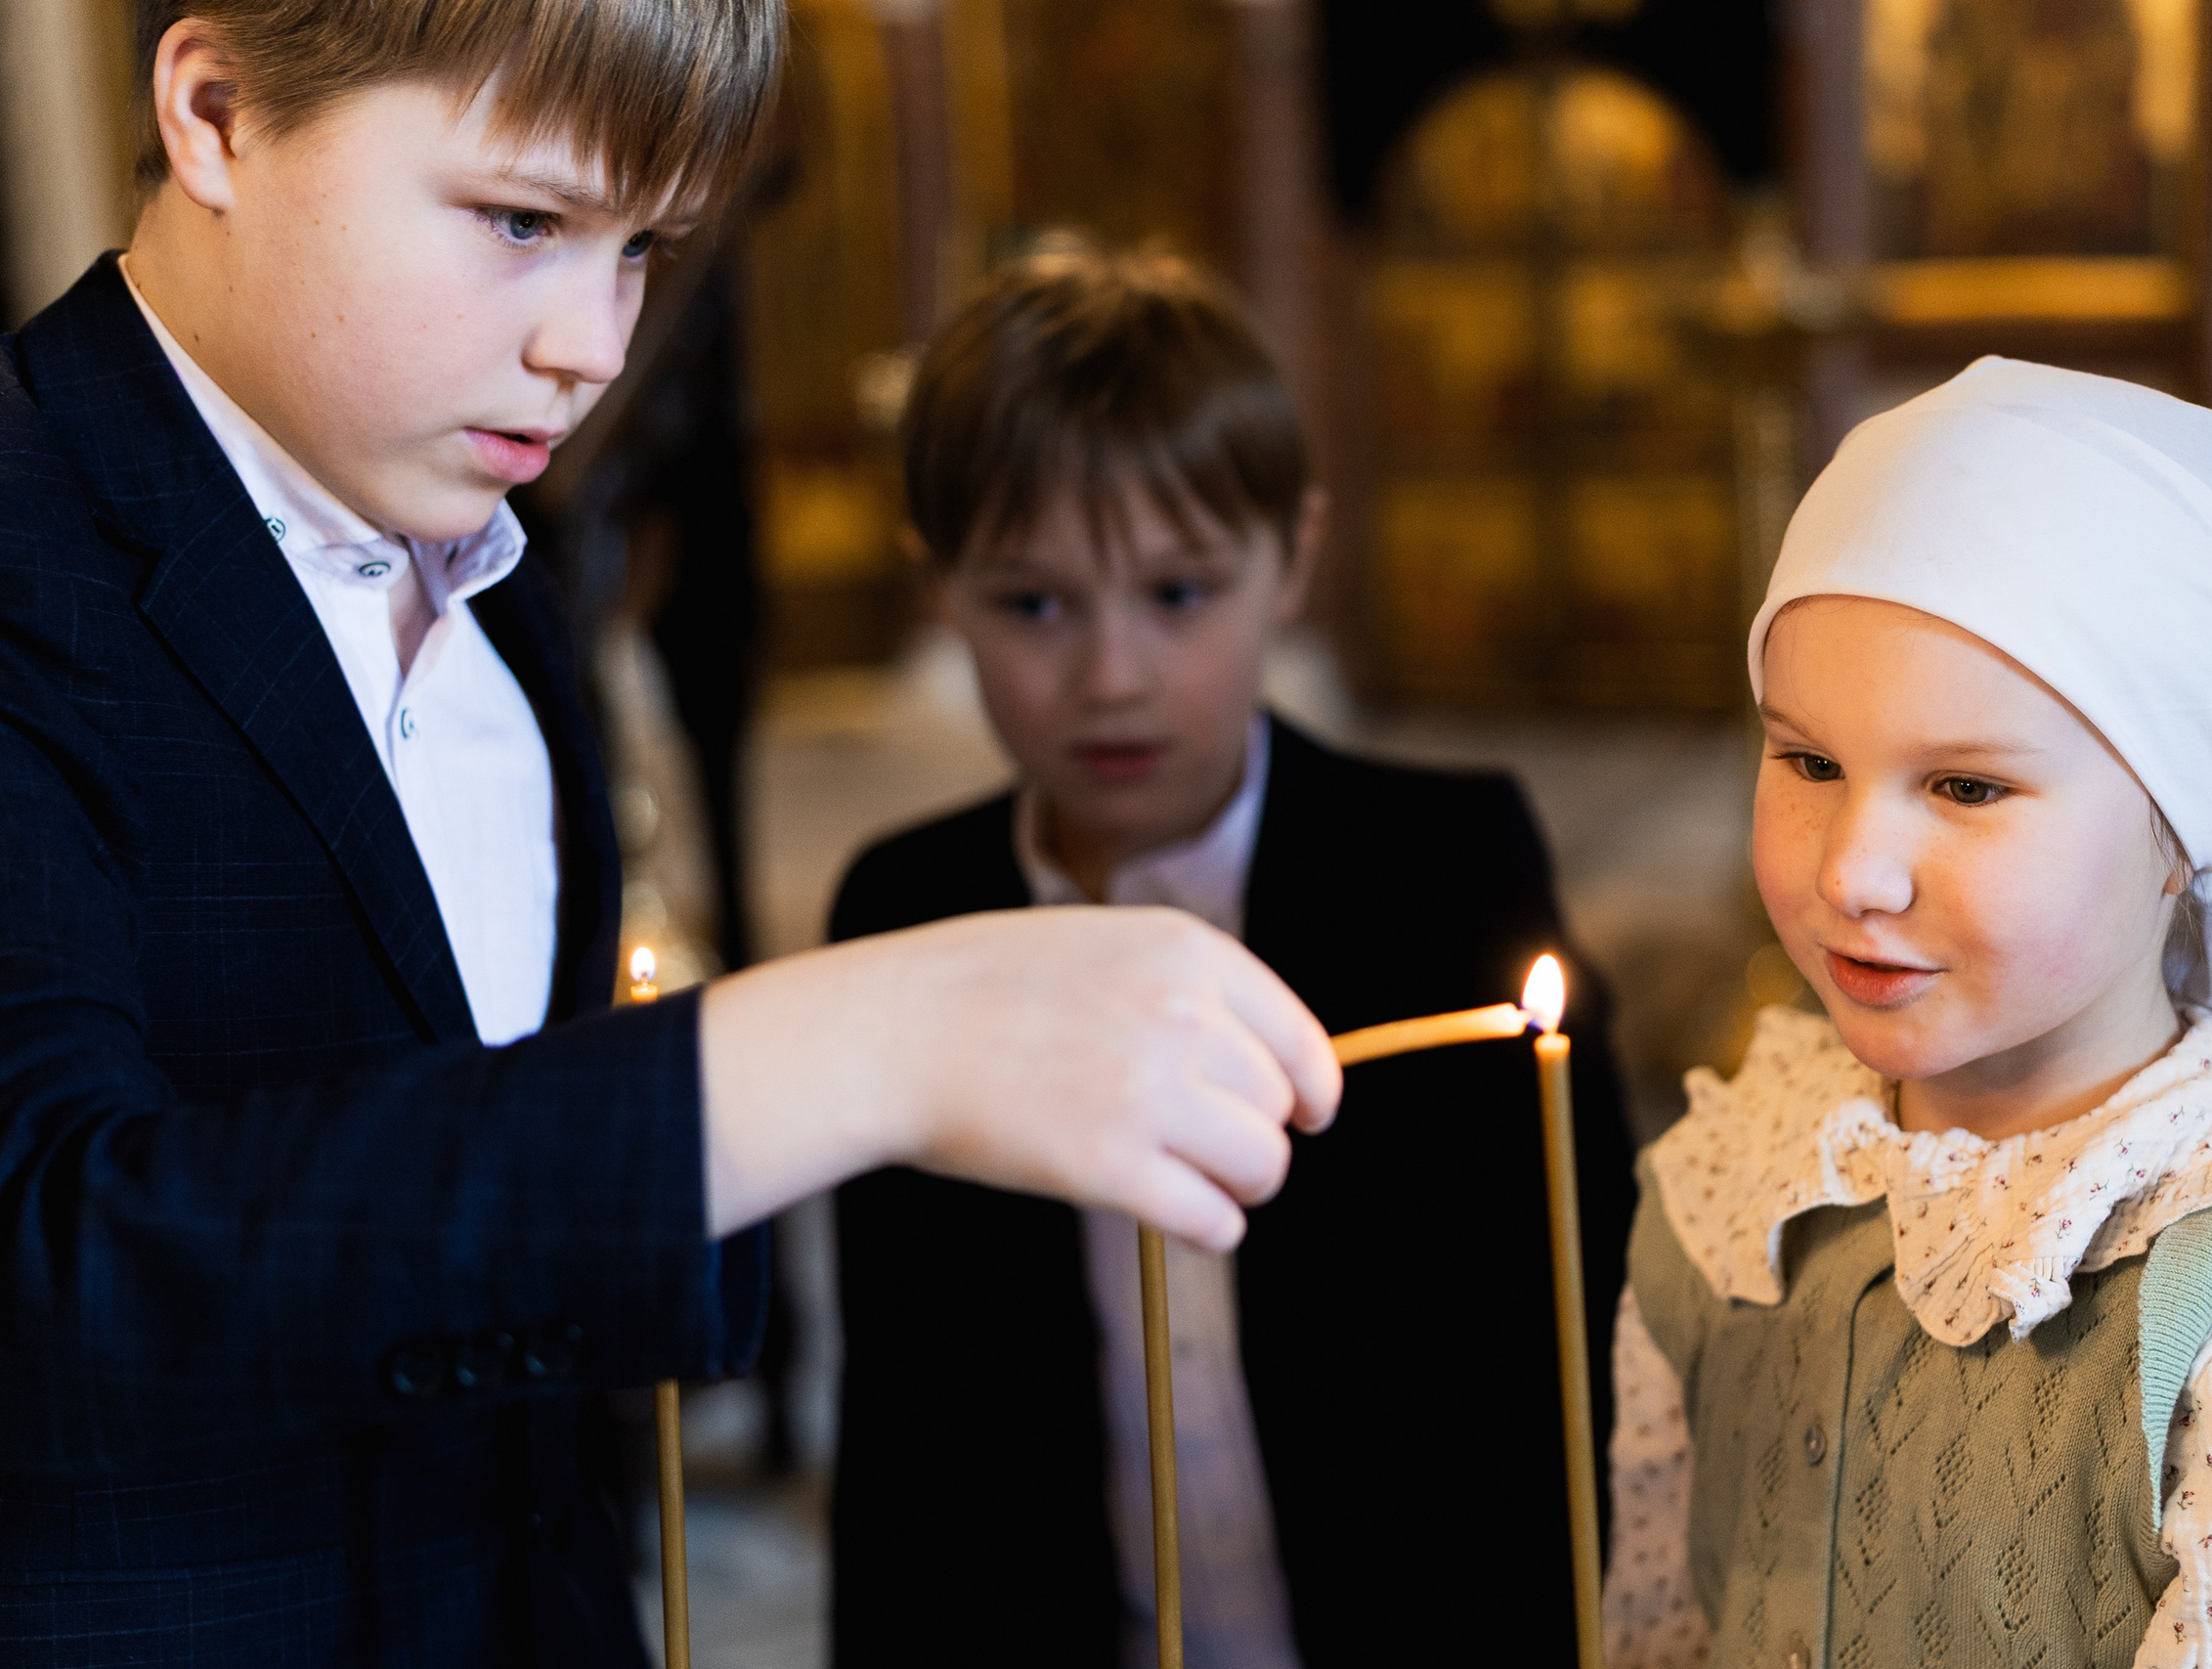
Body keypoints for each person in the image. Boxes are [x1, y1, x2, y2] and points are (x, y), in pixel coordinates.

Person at [0, 8, 1340, 1663]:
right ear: (215, 114)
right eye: (522, 222)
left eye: (640, 246)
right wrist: (829, 1053)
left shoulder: (505, 596)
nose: (595, 345)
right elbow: (52, 1265)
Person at [1602, 357, 2212, 1668]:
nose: (1853, 870)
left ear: (2179, 832)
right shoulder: (1737, 1190)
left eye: (1965, 787)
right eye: (1808, 760)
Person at [825, 244, 1637, 1669]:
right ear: (936, 589)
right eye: (1033, 605)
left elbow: (1569, 1333)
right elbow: (910, 1422)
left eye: (1180, 593)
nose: (1112, 675)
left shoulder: (1447, 873)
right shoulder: (905, 914)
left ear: (1293, 560)